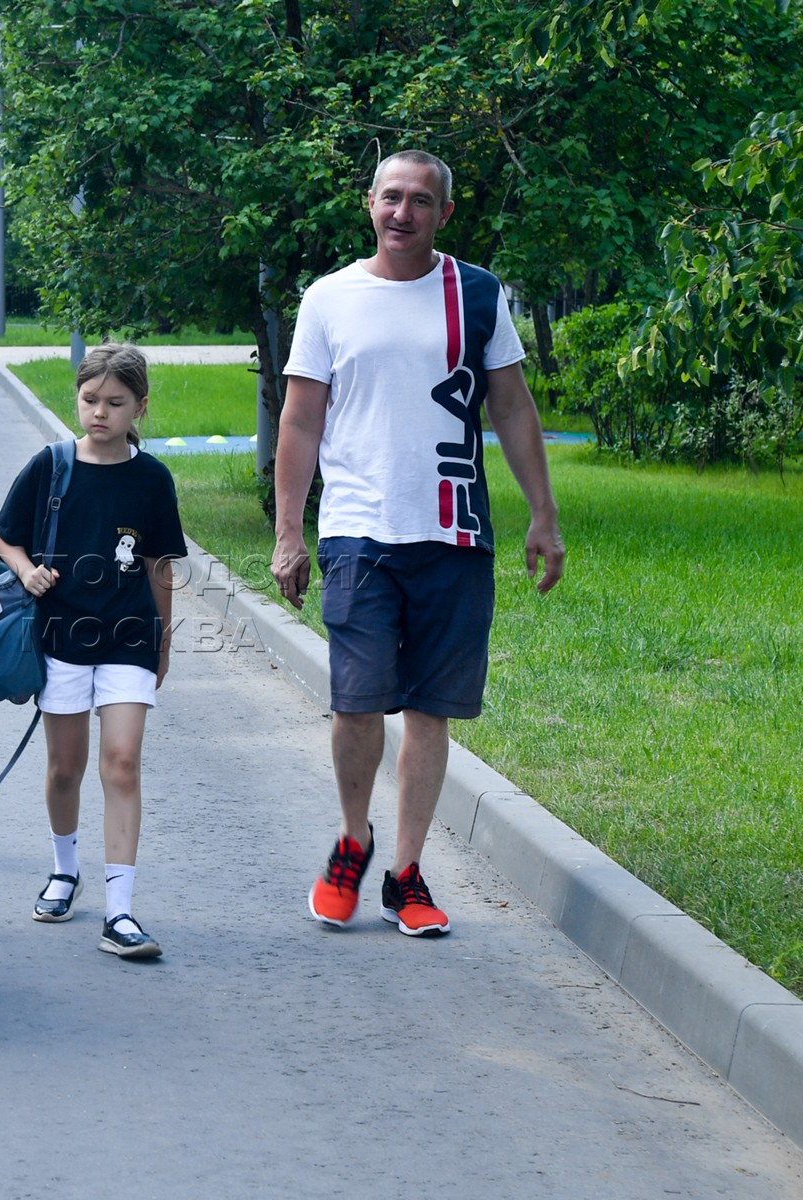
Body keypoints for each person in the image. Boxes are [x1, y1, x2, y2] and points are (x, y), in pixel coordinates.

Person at [273, 149, 565, 938]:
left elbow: (511, 407)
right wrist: (288, 531)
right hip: (359, 533)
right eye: (391, 198)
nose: (403, 213)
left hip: (456, 529)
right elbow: (301, 419)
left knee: (432, 710)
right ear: (369, 204)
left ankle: (406, 872)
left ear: (443, 212)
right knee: (357, 701)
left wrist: (543, 514)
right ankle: (352, 839)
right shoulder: (330, 297)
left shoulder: (476, 293)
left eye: (420, 201)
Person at [0, 344, 187, 961]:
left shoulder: (153, 478)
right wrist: (26, 572)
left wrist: (162, 636)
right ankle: (64, 868)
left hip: (128, 636)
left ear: (141, 407)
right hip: (62, 640)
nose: (99, 412)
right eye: (89, 399)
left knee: (122, 763)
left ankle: (121, 911)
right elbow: (5, 535)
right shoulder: (50, 466)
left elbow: (160, 563)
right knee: (64, 769)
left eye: (115, 403)